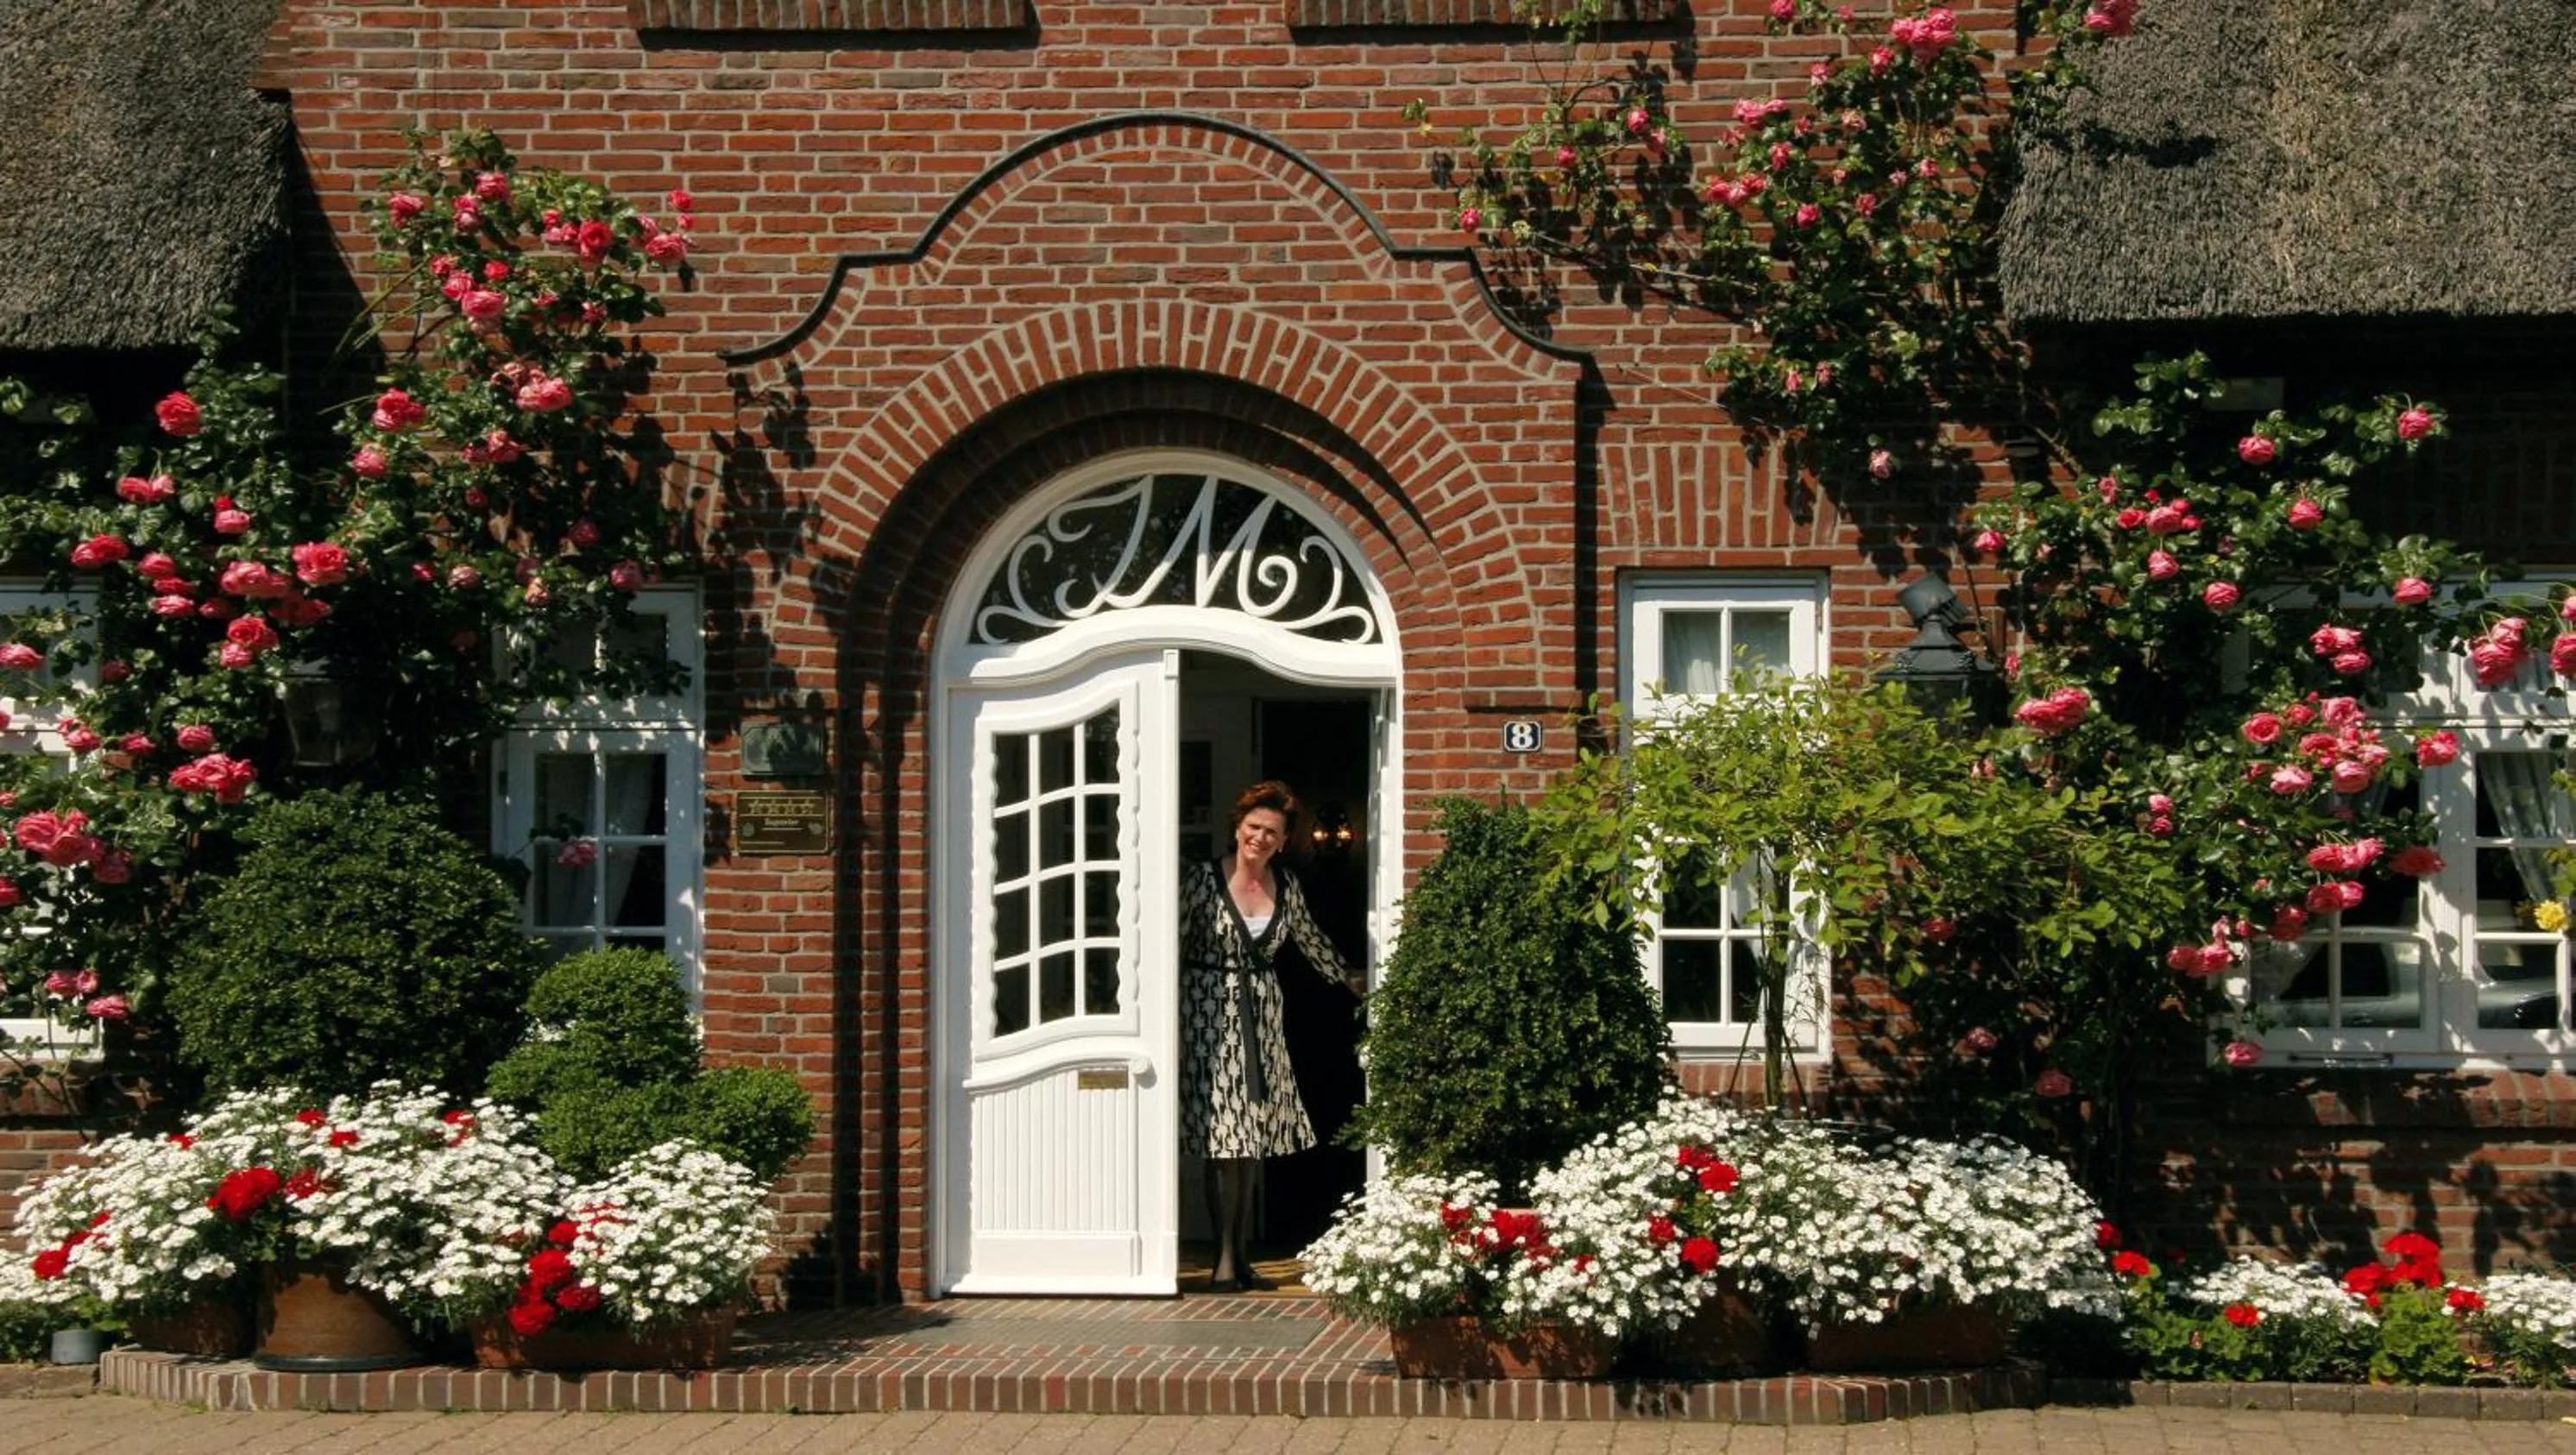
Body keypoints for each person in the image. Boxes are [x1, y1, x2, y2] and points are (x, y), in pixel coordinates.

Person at [1179, 779, 1366, 1292]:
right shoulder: (1200, 881)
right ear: (1236, 829)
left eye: (1271, 832)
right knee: (1223, 1138)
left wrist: (1354, 981)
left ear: (1284, 842)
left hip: (1261, 1014)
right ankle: (1222, 1259)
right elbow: (1170, 945)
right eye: (1253, 827)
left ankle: (1241, 1259)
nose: (1259, 837)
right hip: (1206, 1015)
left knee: (1250, 1138)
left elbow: (1309, 940)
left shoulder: (1287, 886)